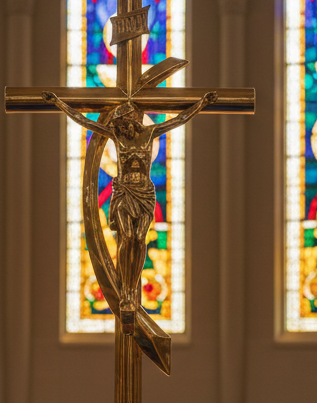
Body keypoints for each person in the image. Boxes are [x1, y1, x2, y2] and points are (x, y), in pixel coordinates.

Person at [43, 90, 217, 334]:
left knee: (138, 238)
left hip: (145, 193)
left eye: (124, 122)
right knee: (126, 237)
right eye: (119, 124)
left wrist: (201, 103)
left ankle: (131, 287)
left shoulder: (149, 134)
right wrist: (60, 103)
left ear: (134, 119)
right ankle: (126, 293)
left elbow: (179, 120)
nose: (122, 126)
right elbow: (85, 121)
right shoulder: (117, 137)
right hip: (124, 192)